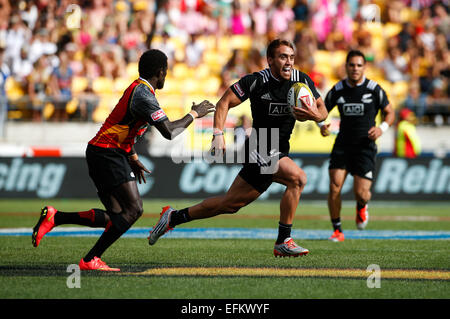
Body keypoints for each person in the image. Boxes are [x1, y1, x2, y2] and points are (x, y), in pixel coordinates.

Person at [31, 49, 215, 271]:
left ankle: (55, 217)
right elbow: (169, 132)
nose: (166, 75)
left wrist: (133, 156)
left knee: (116, 217)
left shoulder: (140, 91)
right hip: (107, 152)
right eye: (165, 72)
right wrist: (194, 114)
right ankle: (90, 259)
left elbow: (124, 127)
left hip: (104, 151)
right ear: (160, 72)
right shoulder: (144, 95)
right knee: (133, 210)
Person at [148, 39, 328, 257]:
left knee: (229, 204)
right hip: (261, 144)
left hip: (279, 148)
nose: (289, 62)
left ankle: (173, 217)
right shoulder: (256, 81)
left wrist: (314, 116)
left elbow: (322, 111)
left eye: (291, 57)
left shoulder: (301, 81)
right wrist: (218, 135)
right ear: (270, 60)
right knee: (297, 178)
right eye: (282, 57)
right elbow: (224, 102)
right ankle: (283, 240)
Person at [319, 50, 395, 242]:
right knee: (334, 187)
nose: (355, 69)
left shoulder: (374, 89)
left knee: (362, 193)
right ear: (346, 67)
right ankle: (337, 230)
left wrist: (382, 128)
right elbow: (320, 112)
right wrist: (322, 125)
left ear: (364, 67)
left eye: (359, 65)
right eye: (351, 65)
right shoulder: (338, 89)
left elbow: (390, 112)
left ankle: (361, 206)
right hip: (343, 144)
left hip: (365, 147)